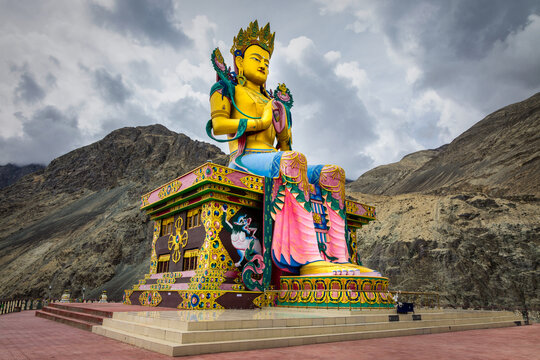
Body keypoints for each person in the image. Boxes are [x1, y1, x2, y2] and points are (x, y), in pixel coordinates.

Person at [208, 21, 378, 277]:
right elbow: (218, 125)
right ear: (239, 62)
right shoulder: (227, 90)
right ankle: (306, 257)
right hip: (245, 158)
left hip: (275, 159)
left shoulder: (274, 102)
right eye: (256, 58)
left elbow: (285, 148)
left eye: (267, 60)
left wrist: (283, 130)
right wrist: (262, 122)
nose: (263, 64)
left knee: (333, 173)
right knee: (291, 161)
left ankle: (339, 256)